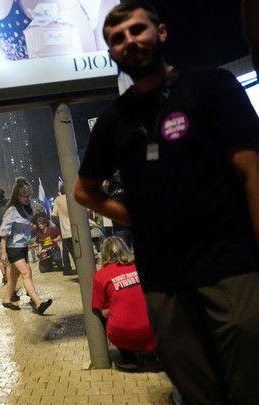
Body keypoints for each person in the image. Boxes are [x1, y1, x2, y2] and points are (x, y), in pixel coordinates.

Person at [73, 2, 259, 403]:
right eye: (117, 39)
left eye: (137, 30)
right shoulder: (113, 121)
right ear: (111, 53)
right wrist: (135, 217)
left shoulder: (212, 87)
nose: (129, 42)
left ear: (160, 33)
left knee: (250, 385)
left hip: (232, 267)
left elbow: (252, 174)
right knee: (197, 394)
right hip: (163, 282)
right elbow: (84, 191)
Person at [91, 236, 154, 372]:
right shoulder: (139, 266)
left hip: (123, 334)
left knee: (99, 313)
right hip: (155, 330)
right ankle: (154, 354)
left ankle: (128, 357)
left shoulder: (101, 275)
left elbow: (102, 310)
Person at [0, 177, 53, 314]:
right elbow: (3, 234)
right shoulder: (11, 210)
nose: (28, 198)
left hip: (22, 247)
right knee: (26, 273)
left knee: (13, 277)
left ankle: (6, 300)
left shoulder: (24, 209)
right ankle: (39, 303)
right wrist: (3, 253)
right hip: (13, 248)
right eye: (25, 196)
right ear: (17, 196)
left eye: (29, 196)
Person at [50, 183, 78, 276]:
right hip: (77, 228)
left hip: (65, 230)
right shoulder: (74, 196)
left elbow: (53, 215)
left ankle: (67, 269)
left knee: (66, 250)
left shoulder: (58, 199)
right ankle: (80, 268)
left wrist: (60, 224)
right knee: (78, 249)